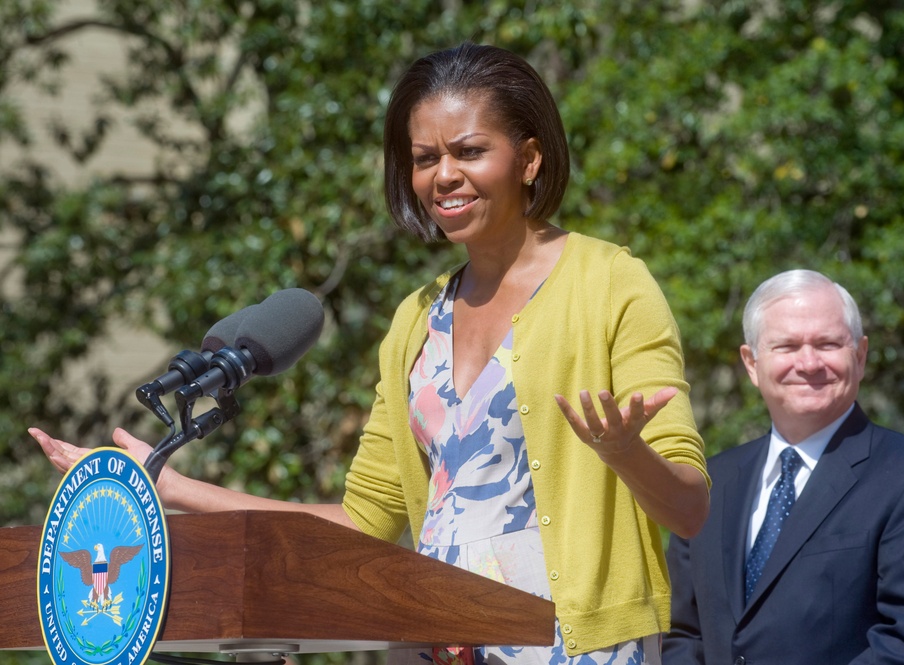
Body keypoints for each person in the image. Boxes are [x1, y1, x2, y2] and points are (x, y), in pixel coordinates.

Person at [32, 43, 710, 665]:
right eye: (423, 158)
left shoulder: (611, 283)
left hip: (577, 644)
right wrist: (165, 487)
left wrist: (626, 452)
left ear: (529, 158)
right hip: (432, 642)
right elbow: (364, 522)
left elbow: (688, 508)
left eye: (469, 151)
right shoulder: (415, 320)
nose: (443, 175)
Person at [661, 269, 904, 665]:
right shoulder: (711, 483)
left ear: (860, 356)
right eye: (787, 346)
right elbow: (683, 633)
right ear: (751, 363)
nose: (808, 363)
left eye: (828, 344)